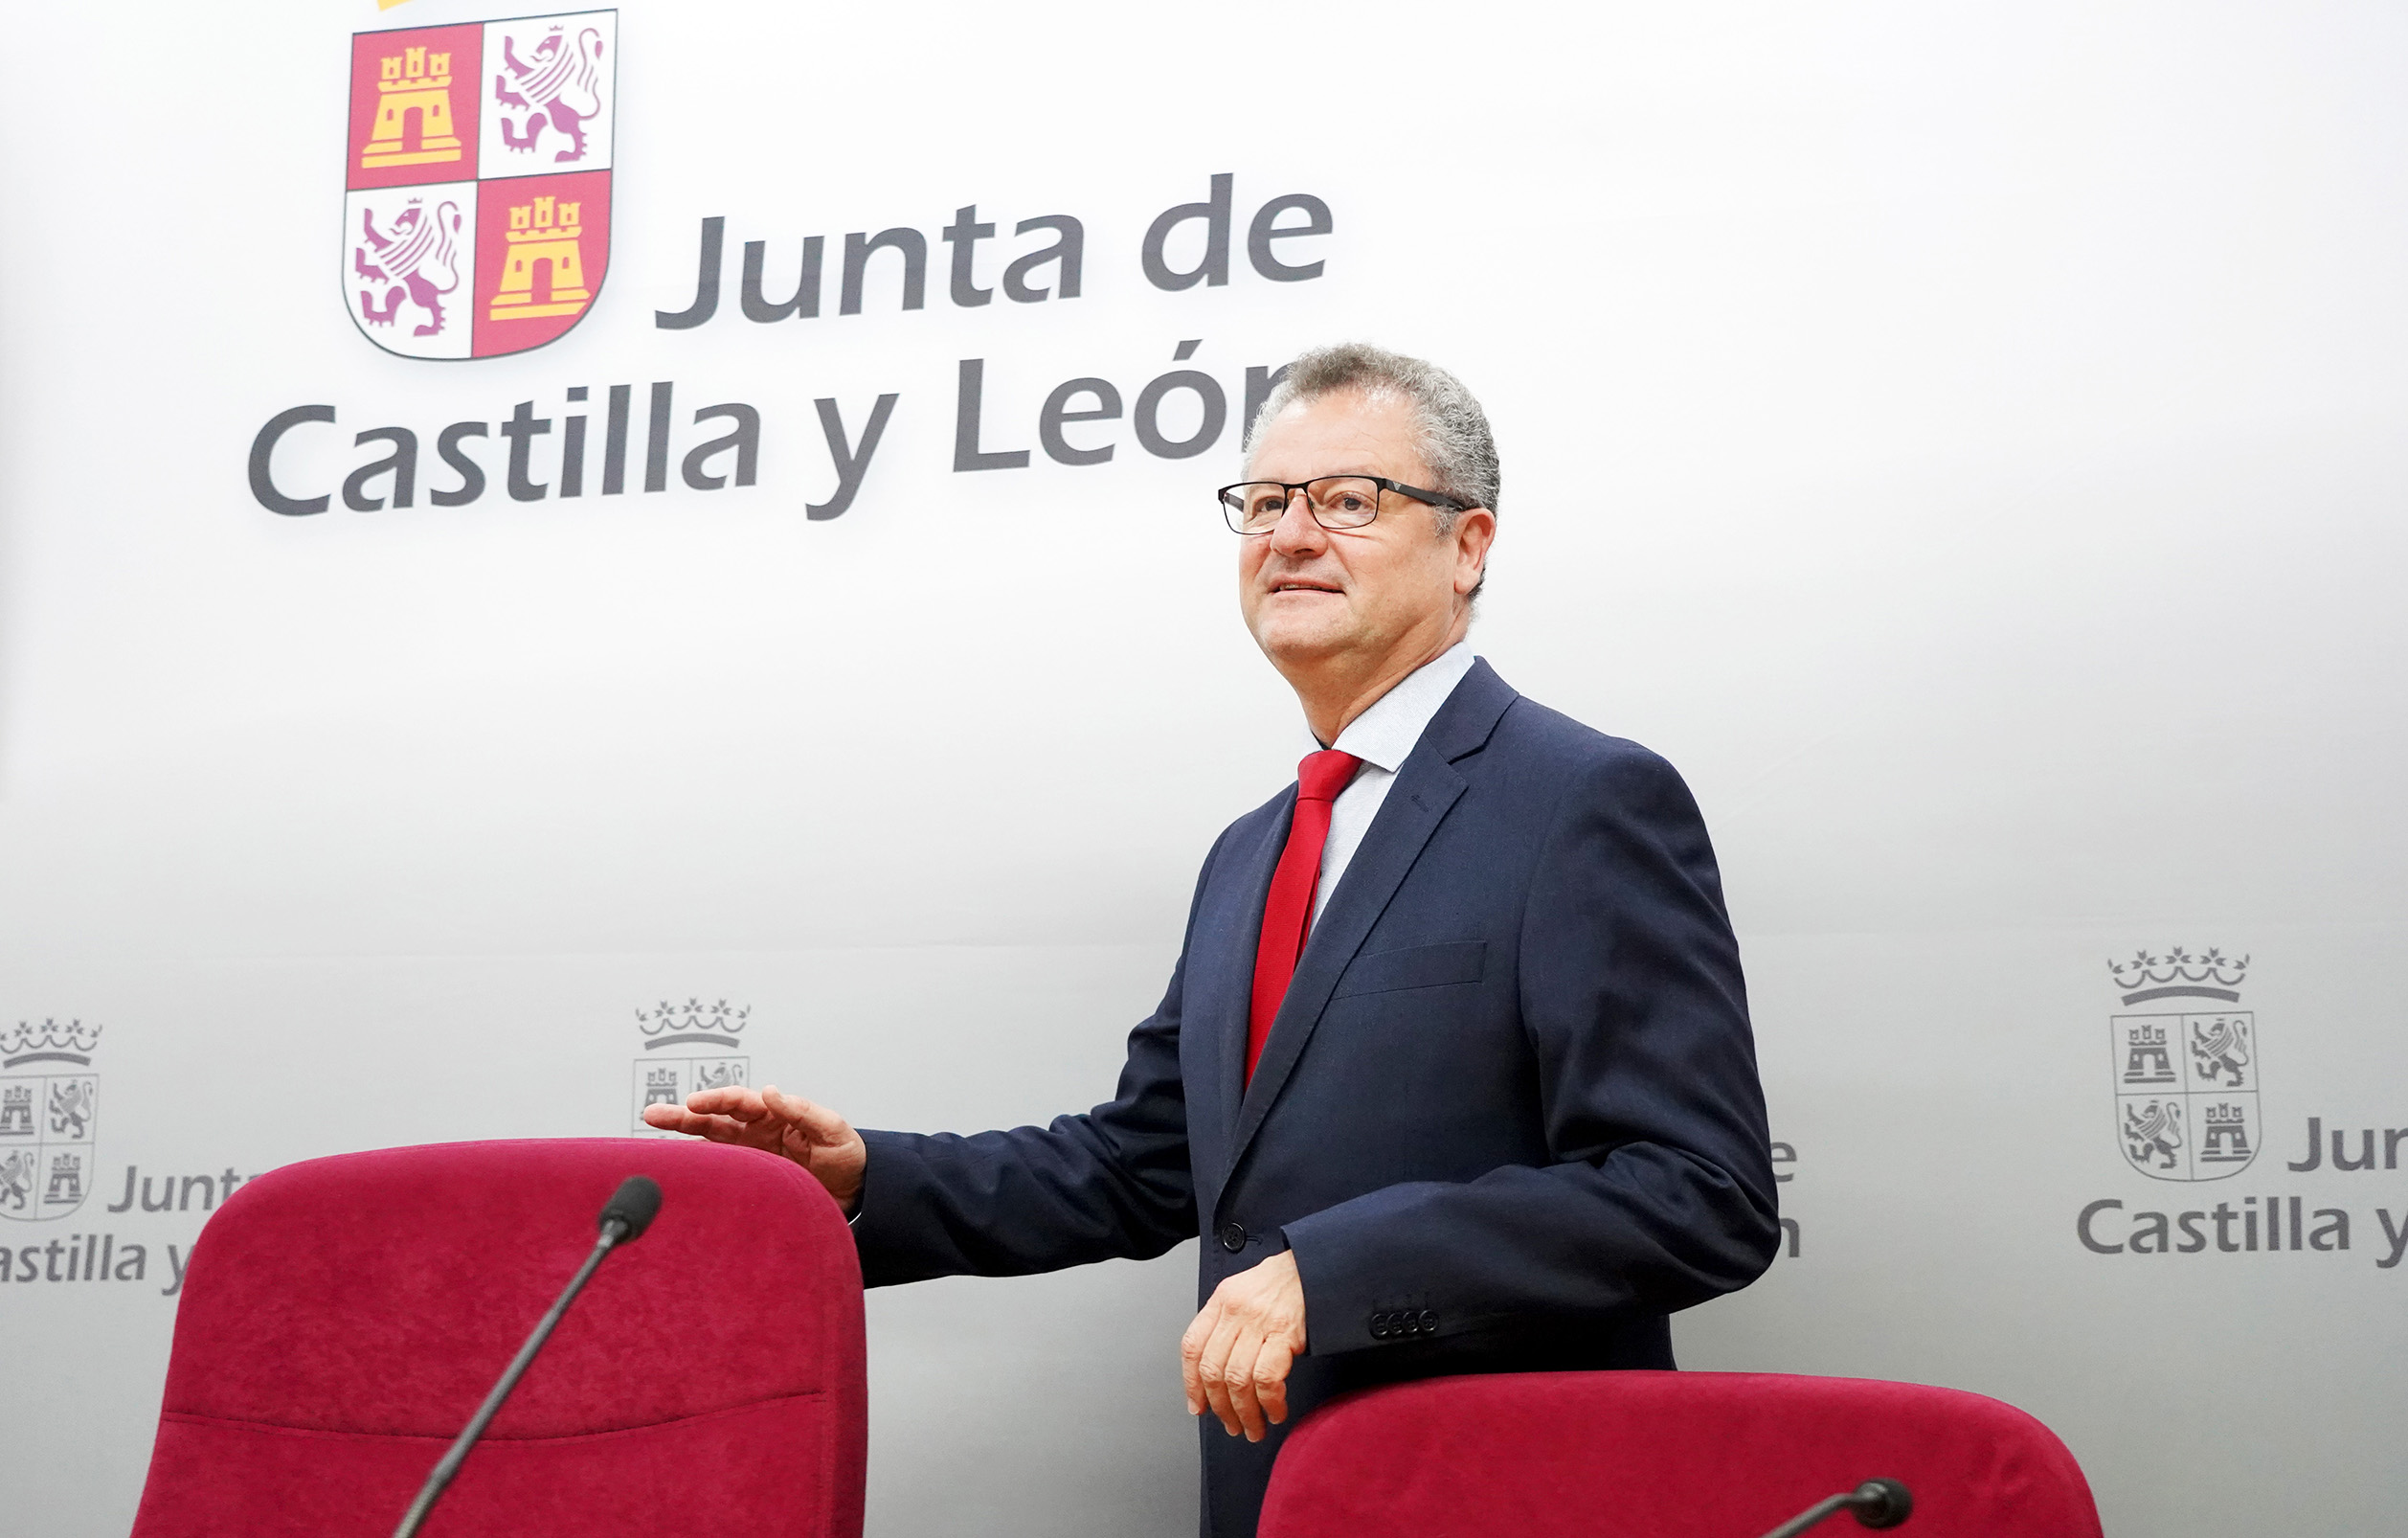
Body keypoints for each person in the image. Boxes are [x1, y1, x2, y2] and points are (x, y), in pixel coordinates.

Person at [644, 343, 1780, 1538]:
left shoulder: (1582, 800)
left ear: (1469, 546)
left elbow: (1696, 1193)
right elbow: (1144, 1165)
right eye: (1265, 502)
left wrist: (1333, 1273)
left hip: (1497, 1491)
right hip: (1272, 1496)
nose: (1291, 535)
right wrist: (868, 1174)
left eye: (1350, 500)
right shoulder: (1254, 849)